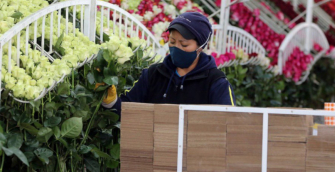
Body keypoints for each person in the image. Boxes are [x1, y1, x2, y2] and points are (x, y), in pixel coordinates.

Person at [101, 12, 236, 113]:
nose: (176, 47)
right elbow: (128, 110)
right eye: (172, 42)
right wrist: (111, 101)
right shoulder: (153, 74)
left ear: (200, 47)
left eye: (184, 44)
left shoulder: (216, 82)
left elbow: (228, 123)